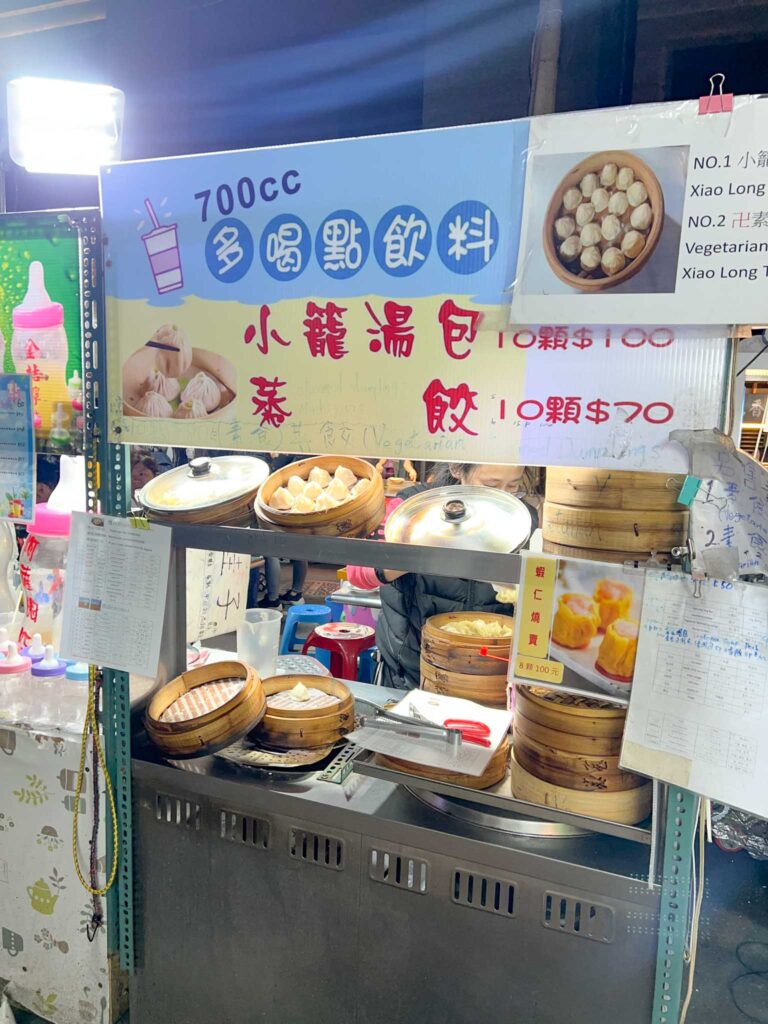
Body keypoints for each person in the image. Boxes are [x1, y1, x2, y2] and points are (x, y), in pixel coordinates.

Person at [347, 463, 538, 690]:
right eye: (490, 484)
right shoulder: (412, 506)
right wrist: (425, 543)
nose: (502, 495)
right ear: (458, 469)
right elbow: (358, 573)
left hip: (490, 672)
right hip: (412, 668)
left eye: (513, 486)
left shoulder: (523, 520)